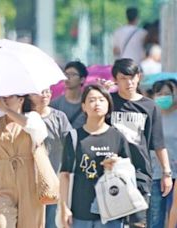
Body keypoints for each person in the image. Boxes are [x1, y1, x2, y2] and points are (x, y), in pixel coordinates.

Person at [110, 58, 173, 227]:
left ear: (138, 77)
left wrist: (166, 173)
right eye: (123, 78)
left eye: (132, 77)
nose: (128, 82)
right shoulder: (108, 102)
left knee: (138, 223)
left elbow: (158, 143)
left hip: (140, 173)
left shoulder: (150, 106)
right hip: (110, 172)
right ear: (115, 79)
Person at [59, 84, 131, 228]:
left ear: (108, 105)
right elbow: (65, 175)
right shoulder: (74, 137)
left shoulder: (117, 136)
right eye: (91, 100)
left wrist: (116, 165)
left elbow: (128, 171)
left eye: (101, 99)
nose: (96, 103)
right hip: (81, 213)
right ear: (84, 106)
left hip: (112, 211)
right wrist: (64, 208)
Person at [0, 94, 48, 227]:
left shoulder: (32, 117)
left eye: (9, 96)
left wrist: (7, 110)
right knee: (3, 224)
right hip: (1, 180)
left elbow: (39, 133)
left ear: (21, 100)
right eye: (3, 96)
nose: (4, 99)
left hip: (29, 180)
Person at [27, 88, 72, 228]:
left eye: (47, 91)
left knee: (51, 223)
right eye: (39, 92)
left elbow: (70, 145)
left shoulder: (59, 117)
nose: (45, 95)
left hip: (52, 181)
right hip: (28, 180)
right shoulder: (23, 118)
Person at [148, 80, 177, 228]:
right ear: (153, 96)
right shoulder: (150, 117)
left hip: (175, 175)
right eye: (160, 94)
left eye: (168, 94)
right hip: (155, 174)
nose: (164, 97)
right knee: (155, 219)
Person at [51, 61, 88, 128]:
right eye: (66, 74)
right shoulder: (54, 104)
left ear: (82, 79)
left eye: (73, 74)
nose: (68, 77)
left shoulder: (88, 103)